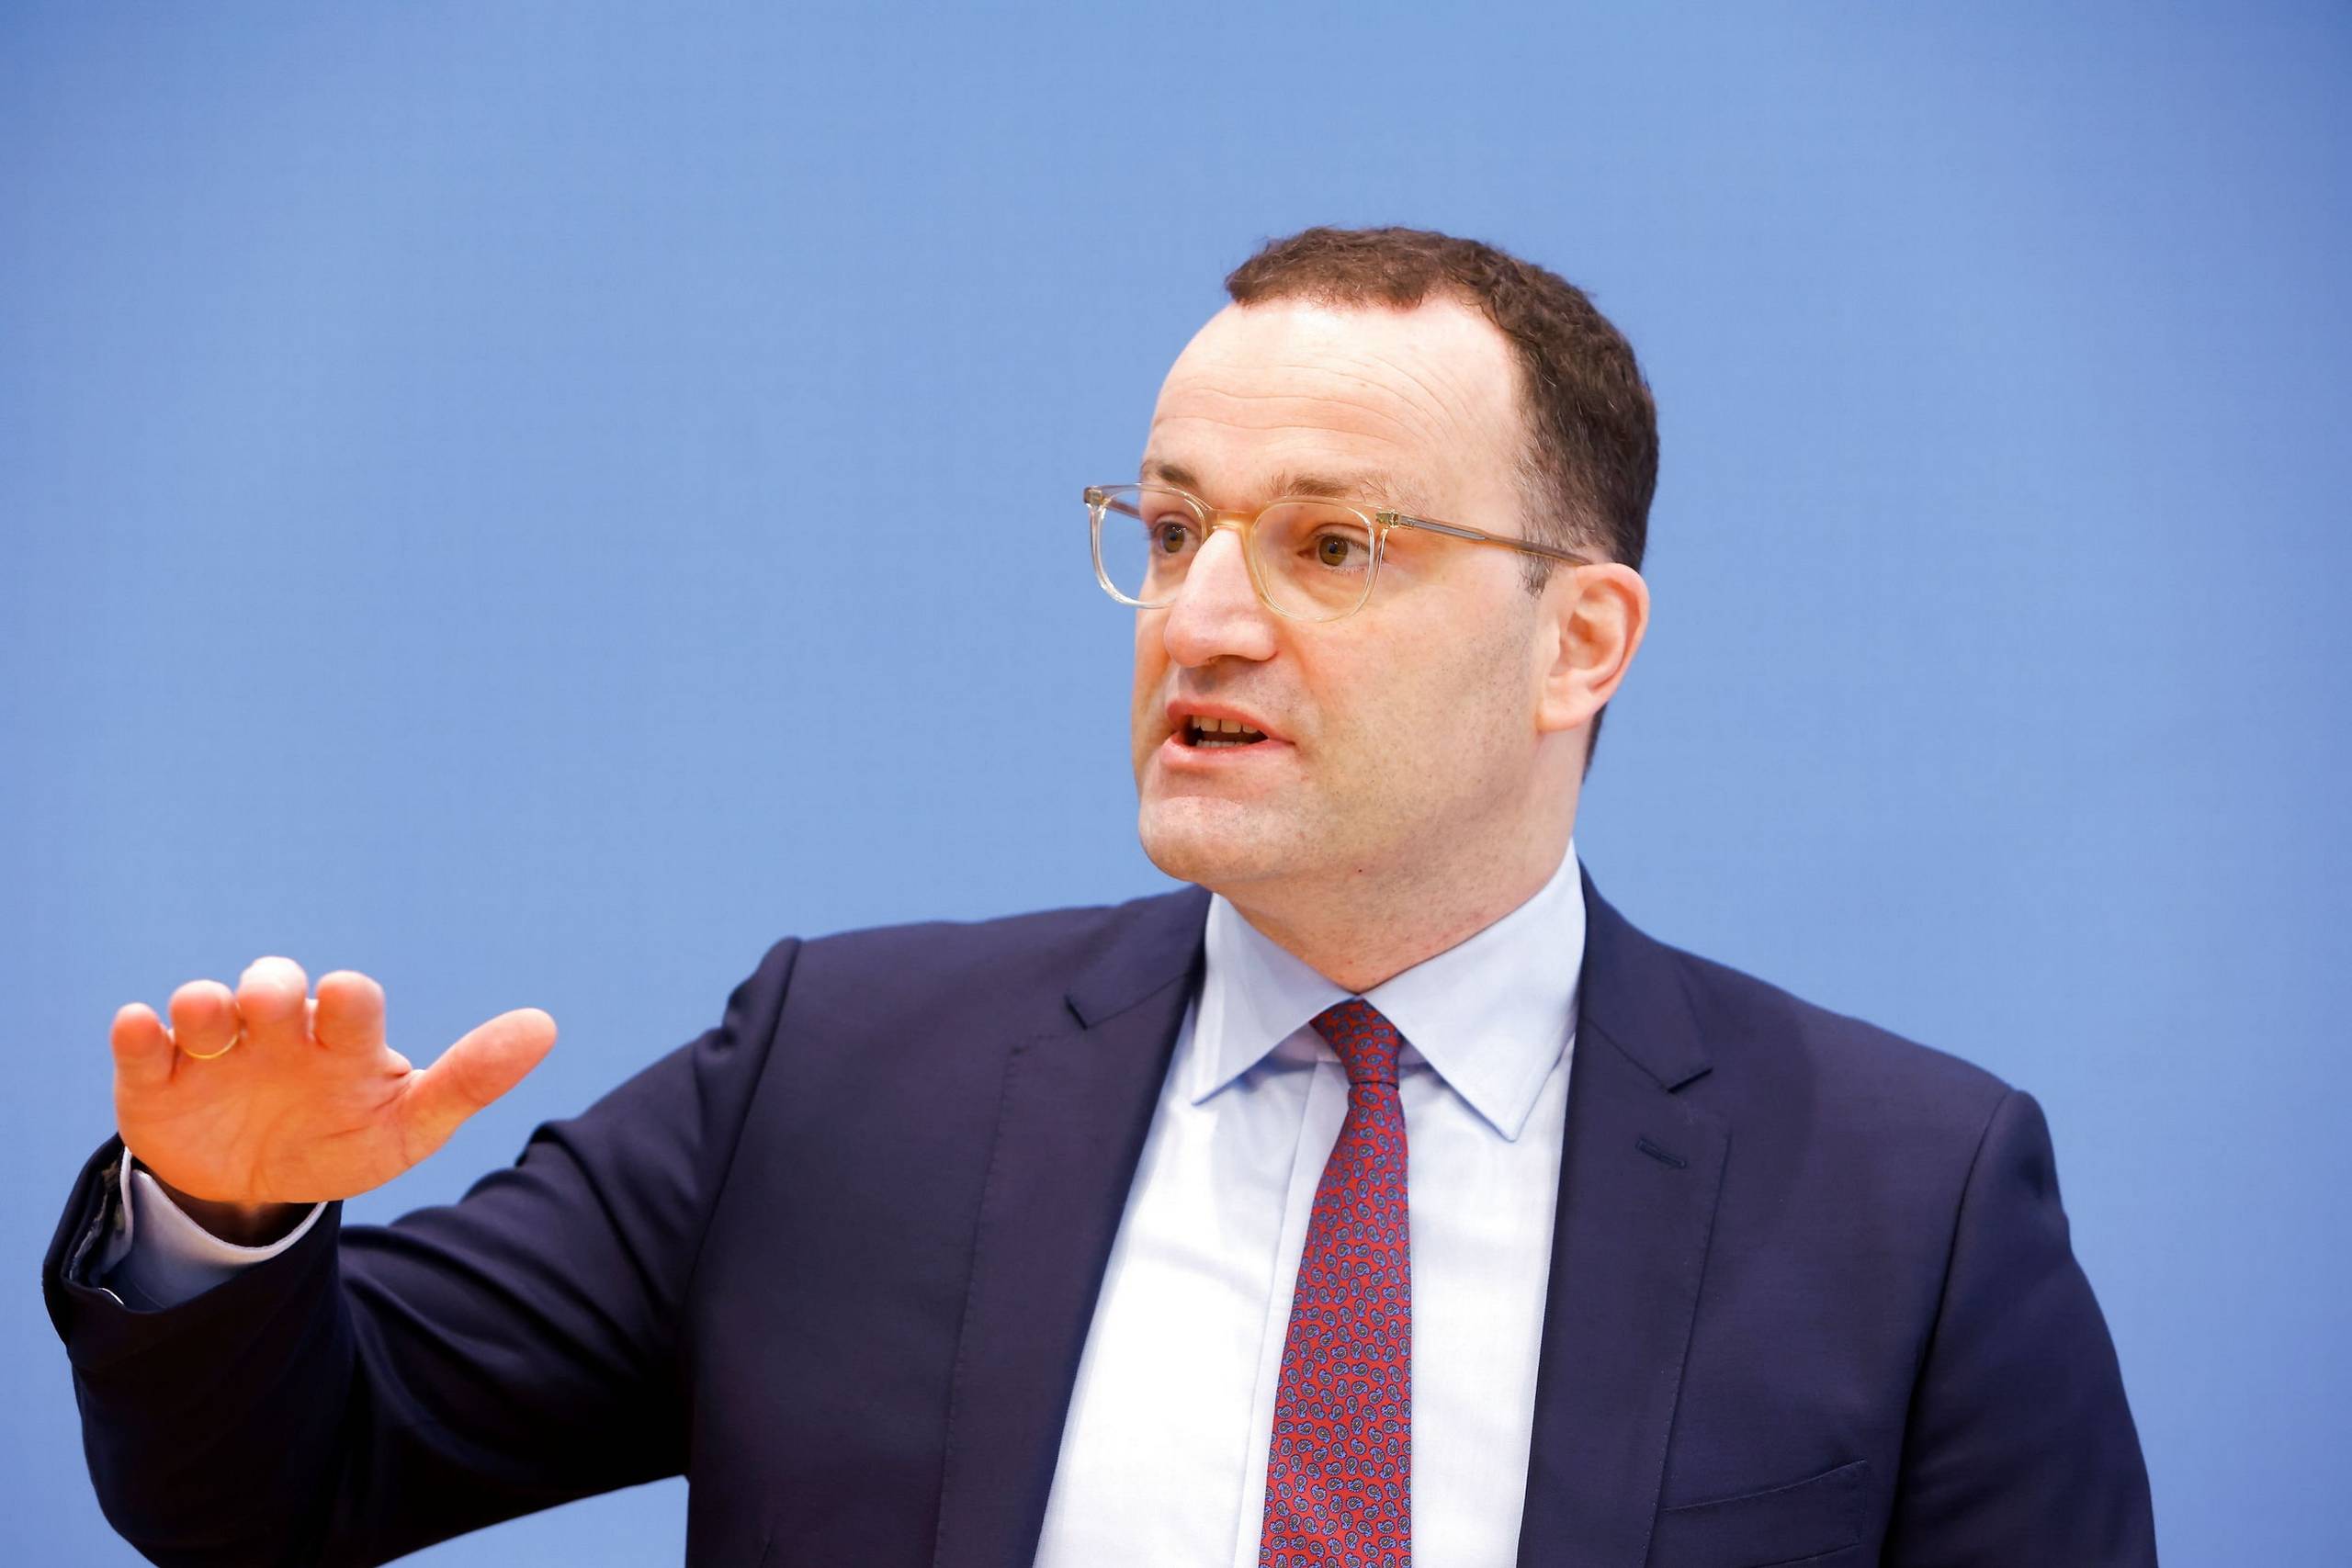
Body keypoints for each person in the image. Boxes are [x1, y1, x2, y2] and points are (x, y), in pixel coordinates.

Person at [42, 225, 2157, 1568]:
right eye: (1166, 529)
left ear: (1578, 641)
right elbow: (276, 1480)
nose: (1200, 616)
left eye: (1331, 544)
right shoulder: (836, 1077)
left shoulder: (1906, 1195)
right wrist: (222, 1219)